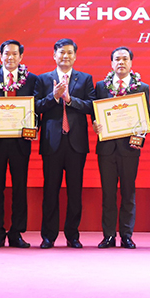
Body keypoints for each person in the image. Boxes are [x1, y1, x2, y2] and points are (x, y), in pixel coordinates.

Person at [35, 38, 95, 248]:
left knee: (75, 191)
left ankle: (73, 235)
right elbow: (35, 107)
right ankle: (48, 236)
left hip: (76, 143)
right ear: (54, 55)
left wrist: (69, 99)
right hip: (52, 143)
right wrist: (54, 97)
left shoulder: (85, 79)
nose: (66, 56)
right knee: (50, 190)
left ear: (75, 56)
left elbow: (91, 106)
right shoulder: (43, 79)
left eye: (70, 52)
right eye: (61, 52)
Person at [0, 40, 37, 249]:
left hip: (20, 143)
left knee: (19, 189)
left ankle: (16, 233)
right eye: (6, 53)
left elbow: (35, 110)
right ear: (0, 55)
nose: (10, 57)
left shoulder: (31, 79)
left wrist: (34, 128)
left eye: (14, 54)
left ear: (21, 57)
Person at [93, 46, 149, 249]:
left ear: (131, 63)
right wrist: (95, 124)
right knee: (108, 194)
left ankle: (126, 235)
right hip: (106, 149)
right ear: (111, 63)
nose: (121, 62)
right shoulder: (101, 86)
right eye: (117, 59)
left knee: (128, 193)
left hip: (129, 149)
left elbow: (146, 119)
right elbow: (95, 114)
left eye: (125, 59)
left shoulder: (142, 87)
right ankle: (108, 235)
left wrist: (141, 133)